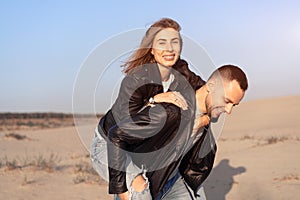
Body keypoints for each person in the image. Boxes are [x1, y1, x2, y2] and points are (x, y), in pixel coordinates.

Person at [90, 18, 206, 200]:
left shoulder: (182, 71)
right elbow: (120, 131)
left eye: (174, 42)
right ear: (151, 49)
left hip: (146, 147)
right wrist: (153, 100)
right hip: (109, 144)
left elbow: (206, 91)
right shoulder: (136, 80)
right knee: (140, 189)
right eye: (162, 42)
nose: (169, 48)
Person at [158, 64, 248, 199]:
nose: (228, 111)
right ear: (212, 86)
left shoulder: (210, 109)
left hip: (176, 179)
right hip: (146, 182)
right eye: (226, 101)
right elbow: (122, 139)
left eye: (233, 105)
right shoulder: (172, 108)